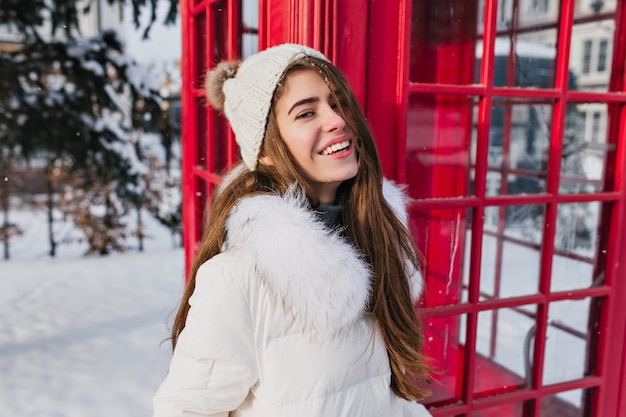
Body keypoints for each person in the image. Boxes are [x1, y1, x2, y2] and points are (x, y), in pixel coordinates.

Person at [153, 43, 433, 417]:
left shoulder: (379, 238)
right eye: (306, 113)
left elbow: (384, 398)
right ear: (265, 150)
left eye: (337, 103)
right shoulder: (237, 277)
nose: (336, 120)